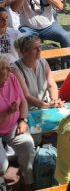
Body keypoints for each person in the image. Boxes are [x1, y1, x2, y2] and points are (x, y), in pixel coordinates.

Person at [11, 0, 70, 67]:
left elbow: (60, 6)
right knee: (19, 39)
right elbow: (14, 8)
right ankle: (23, 67)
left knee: (65, 36)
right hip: (28, 27)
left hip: (49, 26)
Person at [0, 55, 35, 190]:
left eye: (9, 67)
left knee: (28, 145)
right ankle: (6, 183)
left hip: (13, 126)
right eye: (5, 69)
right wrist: (8, 113)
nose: (10, 70)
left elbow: (23, 101)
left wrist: (22, 119)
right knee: (1, 165)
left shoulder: (12, 78)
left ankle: (28, 183)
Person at [12, 35, 64, 111]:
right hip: (28, 110)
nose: (39, 50)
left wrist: (55, 101)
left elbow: (51, 85)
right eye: (35, 48)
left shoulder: (43, 62)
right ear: (24, 52)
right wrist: (47, 105)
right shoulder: (16, 69)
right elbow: (27, 96)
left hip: (46, 105)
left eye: (40, 47)